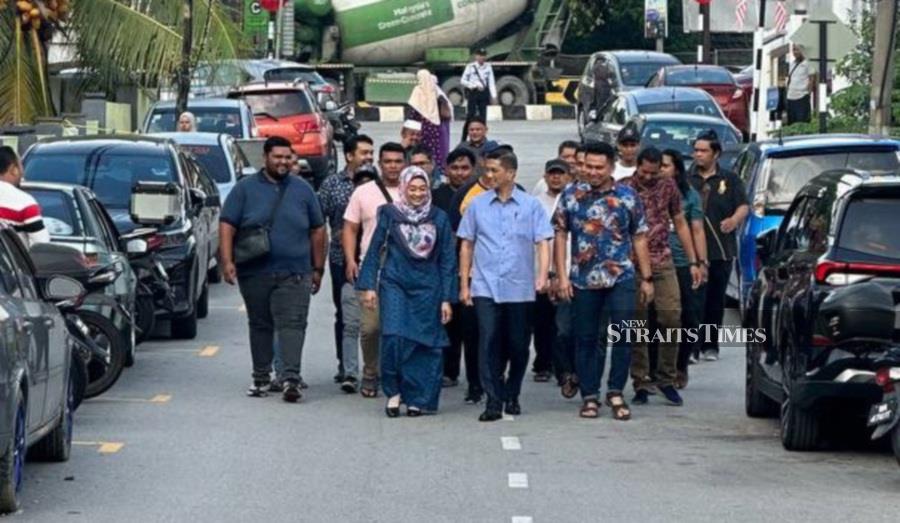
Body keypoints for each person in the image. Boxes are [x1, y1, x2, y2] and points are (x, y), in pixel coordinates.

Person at [219, 136, 326, 402]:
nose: (283, 162)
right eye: (277, 157)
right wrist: (227, 261)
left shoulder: (303, 189)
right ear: (265, 157)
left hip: (296, 271)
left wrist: (318, 267)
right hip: (255, 270)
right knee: (260, 324)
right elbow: (227, 224)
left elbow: (318, 229)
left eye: (288, 157)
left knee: (293, 324)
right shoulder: (245, 189)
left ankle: (291, 378)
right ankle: (261, 378)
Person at [554, 141, 652, 421]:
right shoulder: (571, 196)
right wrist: (561, 276)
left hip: (621, 277)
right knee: (585, 338)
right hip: (583, 280)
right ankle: (589, 394)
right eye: (587, 166)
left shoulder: (627, 196)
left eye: (598, 167)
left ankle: (616, 391)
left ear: (611, 166)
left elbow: (640, 236)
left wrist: (647, 278)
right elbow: (560, 234)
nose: (592, 172)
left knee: (623, 335)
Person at [458, 148, 553, 422]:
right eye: (486, 170)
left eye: (494, 171)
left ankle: (512, 392)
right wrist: (465, 284)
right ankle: (493, 398)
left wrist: (543, 275)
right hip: (485, 286)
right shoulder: (477, 205)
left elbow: (543, 241)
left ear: (511, 173)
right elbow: (467, 244)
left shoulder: (530, 205)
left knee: (518, 344)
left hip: (519, 287)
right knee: (487, 341)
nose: (488, 176)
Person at [357, 167, 458, 417]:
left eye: (422, 189)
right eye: (412, 189)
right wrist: (369, 285)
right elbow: (374, 249)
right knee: (393, 337)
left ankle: (419, 398)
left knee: (424, 344)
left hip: (429, 288)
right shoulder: (390, 214)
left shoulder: (439, 217)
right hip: (395, 283)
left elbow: (447, 260)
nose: (417, 194)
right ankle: (393, 391)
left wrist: (447, 298)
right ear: (403, 188)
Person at [621, 147, 703, 407]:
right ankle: (641, 381)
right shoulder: (623, 188)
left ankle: (666, 377)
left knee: (671, 317)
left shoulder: (668, 187)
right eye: (644, 172)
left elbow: (680, 222)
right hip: (631, 263)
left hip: (663, 260)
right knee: (639, 325)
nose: (648, 177)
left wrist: (694, 262)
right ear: (637, 166)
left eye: (653, 173)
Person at [343, 142, 406, 397]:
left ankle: (397, 374)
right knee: (371, 327)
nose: (393, 166)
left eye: (398, 161)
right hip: (373, 267)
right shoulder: (364, 192)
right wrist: (351, 260)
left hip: (405, 268)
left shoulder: (414, 191)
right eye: (388, 161)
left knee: (399, 326)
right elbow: (350, 228)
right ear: (379, 164)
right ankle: (370, 371)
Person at [318, 134, 375, 391]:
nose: (369, 158)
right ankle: (347, 368)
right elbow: (318, 219)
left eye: (371, 153)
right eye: (364, 153)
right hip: (342, 260)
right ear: (349, 155)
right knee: (346, 315)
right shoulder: (332, 185)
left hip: (375, 261)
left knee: (376, 316)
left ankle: (375, 367)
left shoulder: (380, 183)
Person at [689, 131, 748, 362]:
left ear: (716, 154)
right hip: (693, 251)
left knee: (715, 299)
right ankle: (691, 347)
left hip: (721, 249)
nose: (698, 155)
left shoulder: (730, 179)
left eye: (703, 151)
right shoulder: (687, 178)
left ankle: (710, 345)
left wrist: (734, 220)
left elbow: (743, 206)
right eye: (696, 150)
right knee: (694, 300)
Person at [661, 149, 707, 389]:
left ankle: (681, 365)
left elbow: (697, 229)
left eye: (665, 166)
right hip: (656, 263)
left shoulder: (689, 195)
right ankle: (656, 370)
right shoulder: (647, 193)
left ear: (676, 169)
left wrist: (700, 262)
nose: (661, 170)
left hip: (682, 263)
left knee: (688, 317)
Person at [533, 159, 573, 384]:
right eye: (552, 174)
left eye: (561, 174)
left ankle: (564, 369)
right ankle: (543, 364)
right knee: (542, 323)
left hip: (568, 271)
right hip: (541, 271)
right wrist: (545, 273)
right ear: (545, 176)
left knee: (564, 327)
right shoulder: (535, 203)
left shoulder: (574, 202)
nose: (556, 178)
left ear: (568, 176)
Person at [0, 146, 49, 247]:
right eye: (21, 165)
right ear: (13, 169)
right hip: (10, 262)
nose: (23, 172)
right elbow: (42, 246)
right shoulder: (24, 202)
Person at [461, 47, 497, 140]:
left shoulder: (488, 67)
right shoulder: (470, 66)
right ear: (476, 56)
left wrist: (494, 96)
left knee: (483, 116)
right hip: (474, 92)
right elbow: (463, 80)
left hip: (483, 92)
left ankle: (482, 138)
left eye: (484, 56)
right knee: (470, 116)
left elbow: (491, 82)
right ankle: (464, 138)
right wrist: (472, 85)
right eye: (480, 56)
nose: (482, 58)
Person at [432, 147, 475, 215]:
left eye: (464, 168)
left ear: (473, 170)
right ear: (447, 170)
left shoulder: (480, 195)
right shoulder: (434, 197)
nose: (459, 173)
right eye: (454, 168)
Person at [786, 44, 815, 125]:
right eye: (793, 50)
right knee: (791, 124)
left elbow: (811, 79)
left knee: (802, 123)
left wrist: (807, 94)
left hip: (801, 97)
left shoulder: (808, 63)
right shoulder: (792, 64)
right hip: (790, 98)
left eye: (797, 50)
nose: (795, 52)